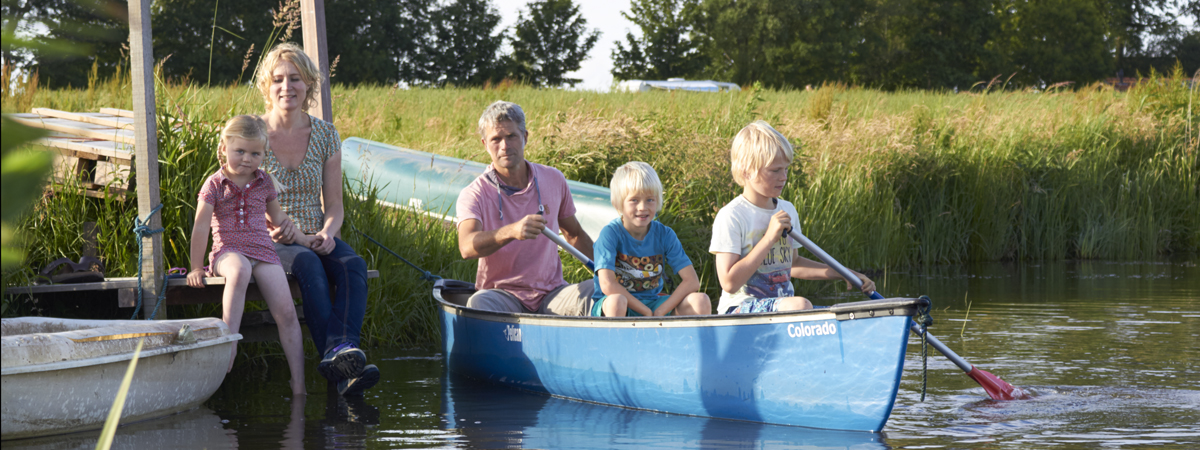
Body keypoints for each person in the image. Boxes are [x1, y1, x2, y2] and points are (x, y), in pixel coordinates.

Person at [255, 42, 378, 396]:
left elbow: (335, 205)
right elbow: (242, 196)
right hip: (272, 238)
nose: (286, 86)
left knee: (353, 264)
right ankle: (342, 367)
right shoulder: (253, 133)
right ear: (267, 85)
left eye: (295, 78)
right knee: (308, 264)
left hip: (316, 231)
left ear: (308, 84)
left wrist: (328, 231)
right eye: (278, 79)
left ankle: (339, 351)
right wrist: (281, 228)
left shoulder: (325, 134)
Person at [187, 115, 306, 396]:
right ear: (225, 147)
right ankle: (231, 341)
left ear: (264, 153)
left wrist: (298, 234)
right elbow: (201, 225)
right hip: (227, 252)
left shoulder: (264, 183)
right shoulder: (215, 184)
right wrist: (195, 267)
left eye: (255, 153)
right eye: (240, 151)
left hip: (263, 251)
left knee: (287, 312)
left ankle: (298, 382)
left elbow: (277, 218)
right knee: (239, 270)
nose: (247, 159)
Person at [710, 120, 877, 315]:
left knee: (829, 310)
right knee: (800, 306)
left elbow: (793, 265)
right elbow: (729, 283)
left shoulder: (786, 209)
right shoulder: (731, 216)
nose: (784, 177)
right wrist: (769, 238)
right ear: (747, 171)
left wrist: (844, 273)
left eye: (786, 169)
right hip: (740, 310)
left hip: (784, 308)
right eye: (775, 170)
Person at [456, 100, 596, 315]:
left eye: (511, 136)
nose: (505, 145)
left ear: (525, 137)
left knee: (602, 289)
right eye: (496, 139)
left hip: (553, 295)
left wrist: (615, 272)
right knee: (479, 303)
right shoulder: (474, 193)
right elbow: (466, 247)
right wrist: (512, 231)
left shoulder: (554, 178)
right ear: (485, 144)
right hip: (501, 295)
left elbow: (574, 234)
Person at [589, 162, 711, 317]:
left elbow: (692, 281)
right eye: (634, 200)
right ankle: (616, 340)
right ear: (618, 204)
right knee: (617, 302)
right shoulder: (610, 234)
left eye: (650, 200)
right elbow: (607, 284)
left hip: (654, 302)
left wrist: (661, 310)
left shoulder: (665, 234)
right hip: (618, 304)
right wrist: (645, 311)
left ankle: (686, 341)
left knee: (700, 301)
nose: (642, 207)